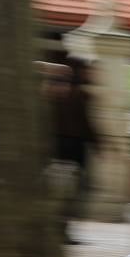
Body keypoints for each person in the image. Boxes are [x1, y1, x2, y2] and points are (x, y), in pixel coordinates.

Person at [52, 57, 100, 244]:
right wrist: (100, 145)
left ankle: (61, 230)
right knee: (71, 192)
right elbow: (86, 125)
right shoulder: (77, 96)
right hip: (73, 150)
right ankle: (62, 230)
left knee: (65, 191)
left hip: (63, 148)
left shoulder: (61, 94)